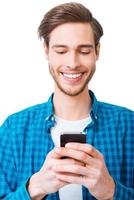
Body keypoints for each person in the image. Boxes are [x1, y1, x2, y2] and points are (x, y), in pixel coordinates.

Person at [0, 2, 133, 200]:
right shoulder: (14, 129)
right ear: (46, 51)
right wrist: (34, 188)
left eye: (84, 51)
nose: (72, 63)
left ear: (97, 51)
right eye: (61, 51)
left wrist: (111, 191)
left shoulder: (129, 125)